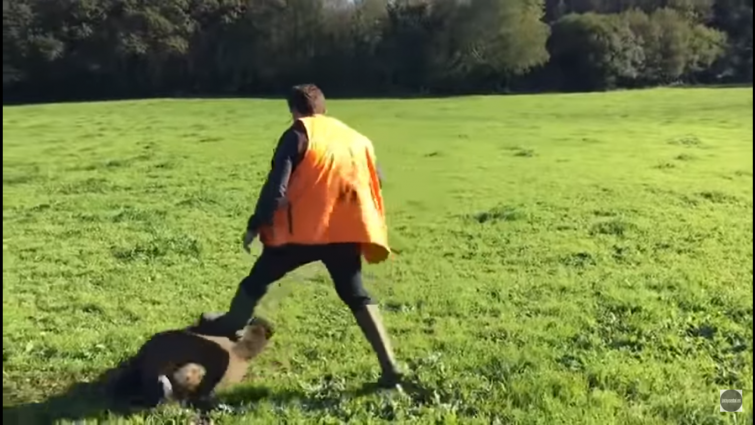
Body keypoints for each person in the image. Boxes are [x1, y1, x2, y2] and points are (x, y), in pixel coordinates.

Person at [194, 84, 403, 389]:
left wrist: (256, 224)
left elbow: (276, 188)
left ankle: (231, 323)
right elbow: (376, 179)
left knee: (257, 280)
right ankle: (390, 366)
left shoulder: (297, 134)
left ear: (293, 110)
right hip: (342, 232)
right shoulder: (355, 138)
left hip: (299, 234)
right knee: (356, 294)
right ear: (324, 108)